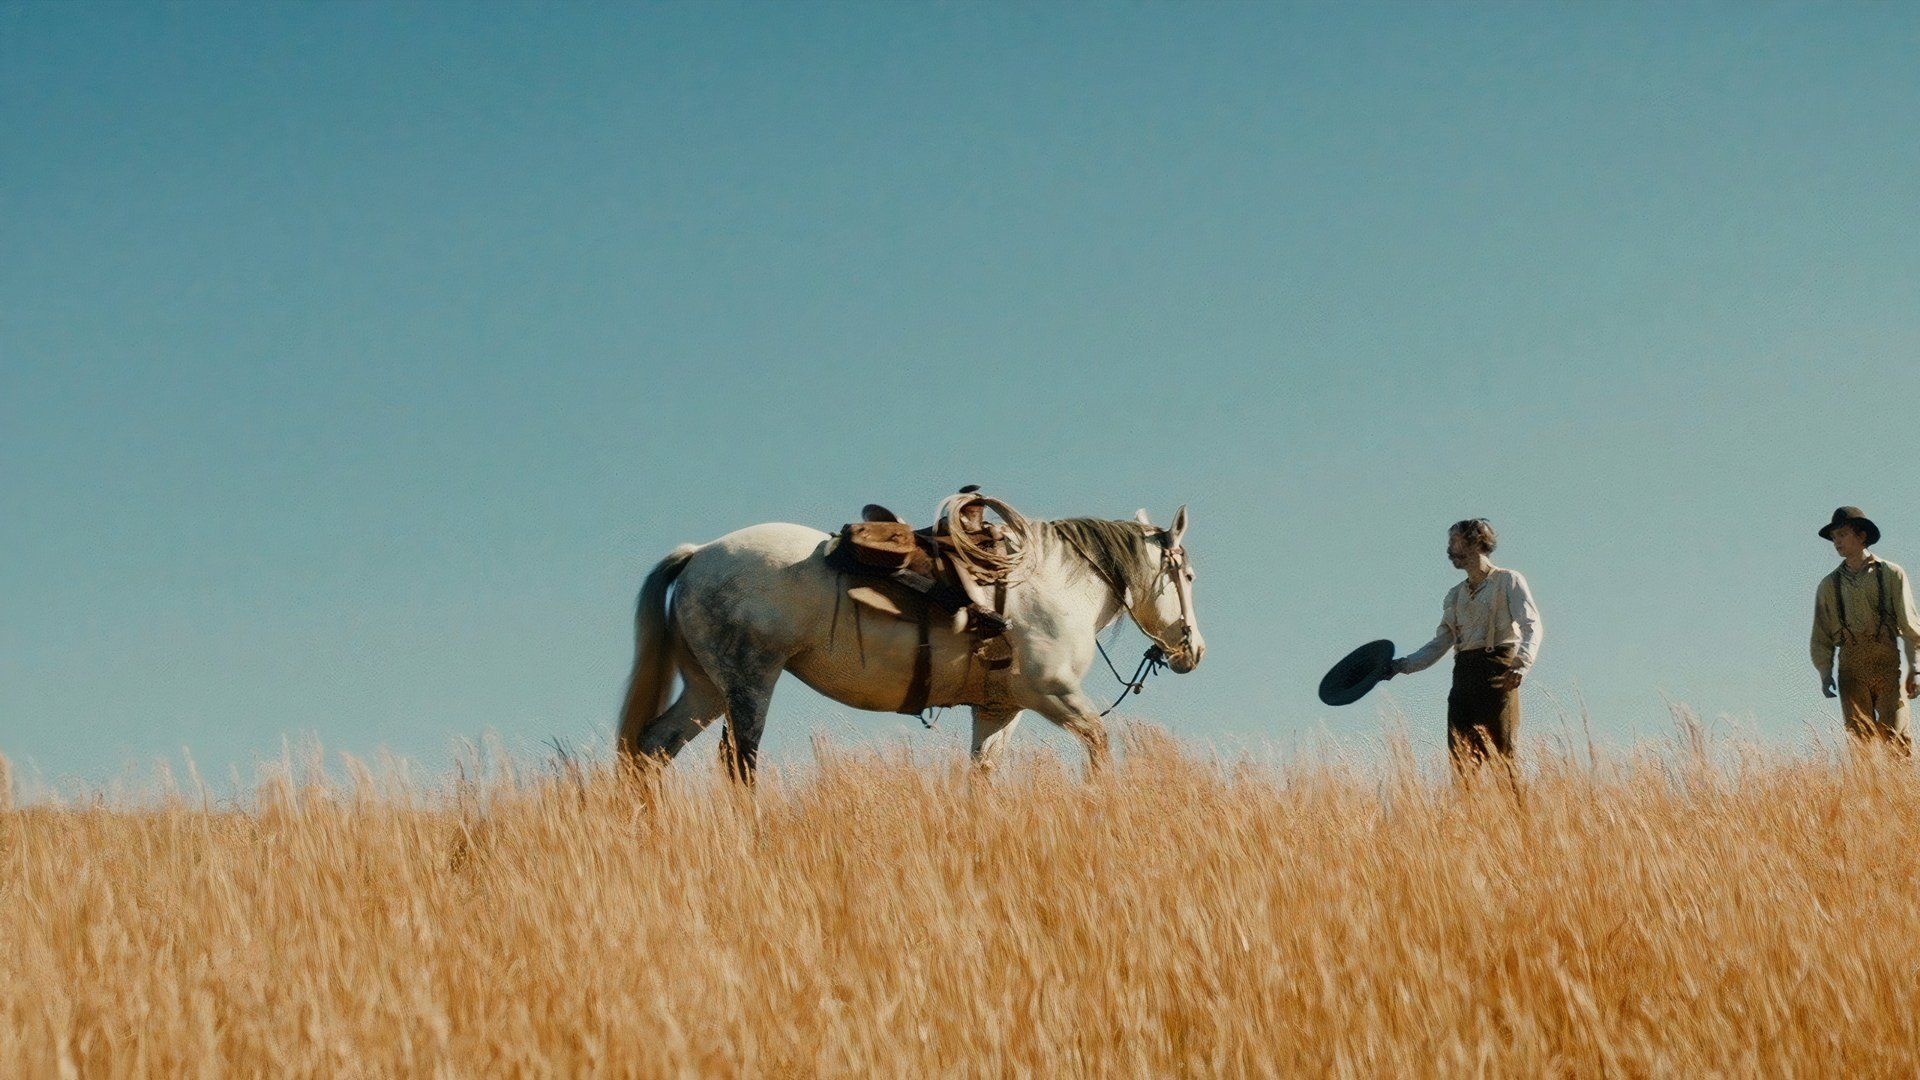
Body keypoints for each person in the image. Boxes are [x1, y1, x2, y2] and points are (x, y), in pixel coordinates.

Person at [1385, 518, 1543, 769]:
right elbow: (1440, 643)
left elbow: (1531, 626)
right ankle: (1468, 809)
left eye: (1454, 542)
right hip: (1463, 679)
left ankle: (1516, 810)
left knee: (1505, 761)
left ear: (1476, 541)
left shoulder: (1508, 581)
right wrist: (1399, 666)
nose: (1449, 551)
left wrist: (1521, 665)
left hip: (1498, 674)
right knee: (1462, 764)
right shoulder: (1455, 595)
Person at [1811, 507, 1920, 754]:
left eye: (1842, 534)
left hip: (1887, 665)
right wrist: (1825, 672)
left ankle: (1901, 792)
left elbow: (1911, 626)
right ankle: (1867, 791)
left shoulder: (1891, 574)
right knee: (1861, 747)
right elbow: (1821, 634)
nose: (1837, 542)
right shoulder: (1829, 585)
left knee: (1898, 739)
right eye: (1834, 537)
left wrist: (1915, 668)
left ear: (1861, 536)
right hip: (1851, 668)